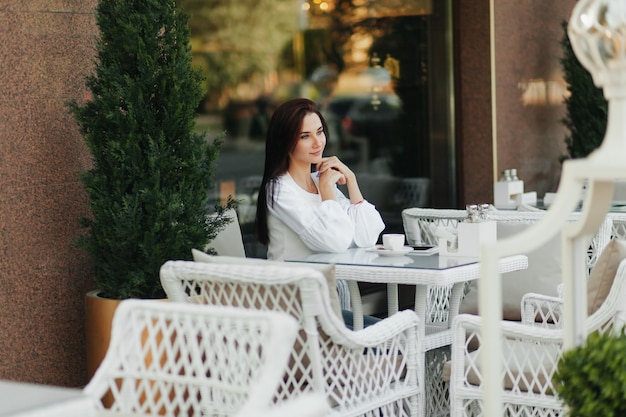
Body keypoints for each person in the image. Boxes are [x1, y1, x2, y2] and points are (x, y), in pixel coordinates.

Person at [254, 97, 385, 328]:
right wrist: (326, 190)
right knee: (397, 338)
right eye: (305, 136)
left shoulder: (320, 180)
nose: (317, 143)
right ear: (286, 142)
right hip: (295, 307)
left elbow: (366, 237)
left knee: (400, 335)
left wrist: (352, 181)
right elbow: (336, 241)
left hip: (328, 299)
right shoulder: (279, 189)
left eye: (320, 132)